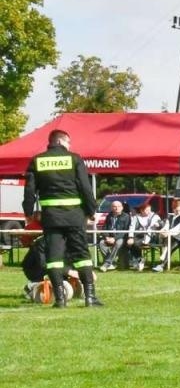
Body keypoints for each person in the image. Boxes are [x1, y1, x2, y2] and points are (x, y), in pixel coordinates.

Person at [21, 128, 102, 308]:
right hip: (74, 216)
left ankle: (60, 299)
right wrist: (91, 210)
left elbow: (29, 191)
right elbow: (85, 187)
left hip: (51, 218)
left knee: (54, 258)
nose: (69, 145)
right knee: (82, 256)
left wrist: (28, 212)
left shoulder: (37, 160)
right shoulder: (74, 159)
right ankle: (90, 298)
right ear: (60, 141)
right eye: (68, 142)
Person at [127, 198, 162, 272]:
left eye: (149, 210)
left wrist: (156, 225)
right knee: (129, 243)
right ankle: (139, 259)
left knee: (135, 243)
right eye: (146, 210)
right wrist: (130, 237)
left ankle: (139, 260)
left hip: (151, 236)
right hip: (138, 235)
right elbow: (131, 227)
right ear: (141, 210)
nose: (149, 212)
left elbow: (157, 225)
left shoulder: (155, 216)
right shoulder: (136, 217)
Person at [98, 198, 132, 271]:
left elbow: (125, 231)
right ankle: (111, 263)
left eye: (119, 206)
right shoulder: (109, 216)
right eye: (114, 206)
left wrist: (115, 238)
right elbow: (104, 228)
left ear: (122, 207)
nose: (117, 208)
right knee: (101, 243)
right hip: (110, 237)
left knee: (119, 242)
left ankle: (107, 263)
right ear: (111, 208)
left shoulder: (126, 216)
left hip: (121, 237)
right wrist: (106, 237)